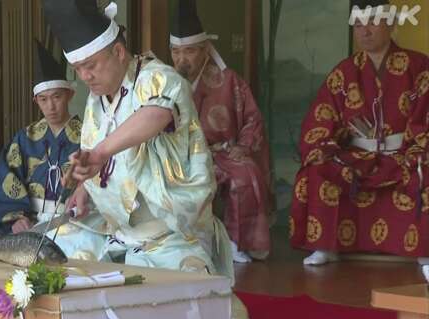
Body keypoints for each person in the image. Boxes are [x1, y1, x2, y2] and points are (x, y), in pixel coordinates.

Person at [42, 0, 233, 279]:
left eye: (90, 65)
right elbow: (95, 152)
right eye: (77, 68)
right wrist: (83, 187)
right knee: (50, 252)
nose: (84, 76)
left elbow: (155, 115)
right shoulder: (97, 98)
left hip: (170, 234)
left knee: (177, 293)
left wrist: (99, 154)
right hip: (115, 232)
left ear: (118, 52)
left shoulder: (159, 77)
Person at [290, 0, 429, 265]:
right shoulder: (343, 72)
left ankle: (425, 252)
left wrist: (417, 150)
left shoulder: (419, 67)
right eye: (358, 24)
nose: (365, 31)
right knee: (318, 169)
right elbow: (321, 120)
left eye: (373, 23)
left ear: (390, 24)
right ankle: (326, 246)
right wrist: (327, 146)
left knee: (426, 173)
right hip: (357, 156)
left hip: (404, 153)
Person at [0, 39, 107, 261]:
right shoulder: (25, 139)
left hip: (78, 223)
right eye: (43, 99)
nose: (51, 106)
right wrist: (15, 218)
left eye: (57, 97)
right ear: (35, 101)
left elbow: (104, 179)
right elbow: (5, 183)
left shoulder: (90, 135)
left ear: (69, 95)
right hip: (32, 224)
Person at [169, 0, 273, 263]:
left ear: (205, 49)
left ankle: (237, 242)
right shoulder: (164, 82)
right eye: (176, 52)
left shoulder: (228, 81)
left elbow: (252, 119)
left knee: (245, 174)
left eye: (189, 51)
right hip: (176, 157)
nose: (182, 60)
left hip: (220, 154)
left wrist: (244, 146)